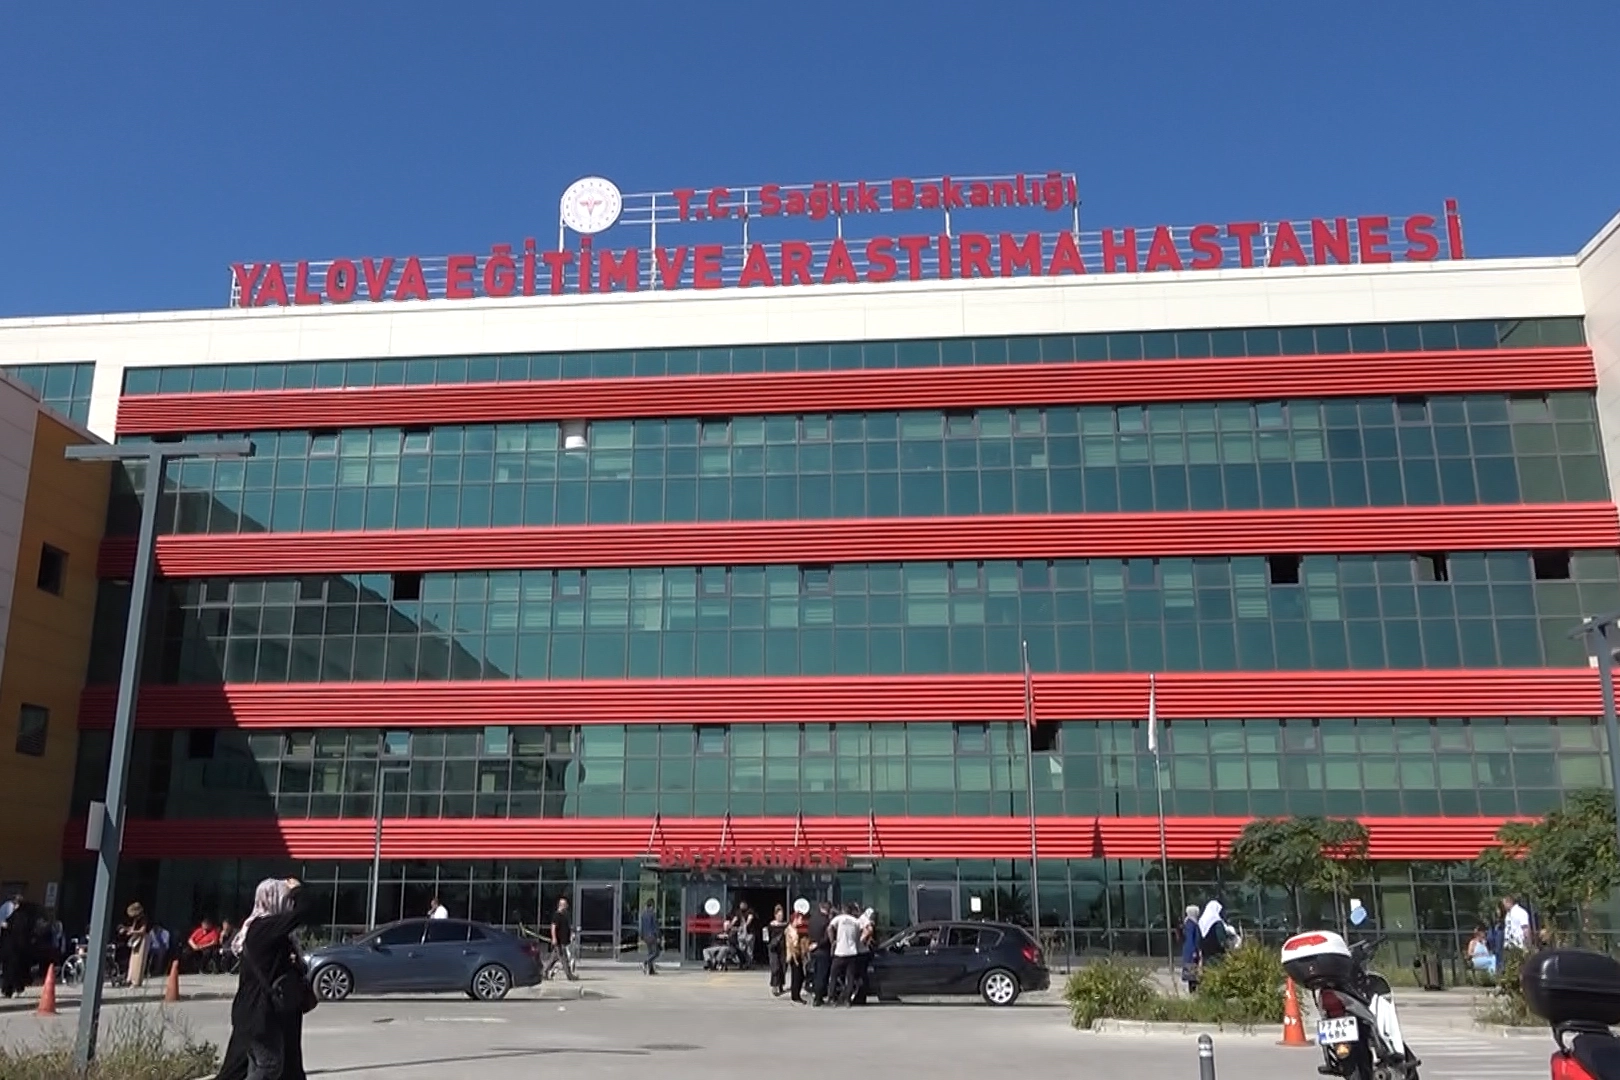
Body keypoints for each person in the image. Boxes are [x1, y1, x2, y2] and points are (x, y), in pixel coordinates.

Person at [216, 877, 316, 1080]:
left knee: (266, 1066)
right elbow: (304, 912)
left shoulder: (269, 930)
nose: (290, 904)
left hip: (270, 1011)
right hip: (260, 1012)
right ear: (274, 899)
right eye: (287, 899)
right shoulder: (265, 928)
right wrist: (297, 890)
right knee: (268, 1067)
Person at [827, 902, 862, 1006]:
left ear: (843, 910)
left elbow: (829, 928)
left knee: (833, 975)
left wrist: (832, 941)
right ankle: (847, 999)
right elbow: (859, 934)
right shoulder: (855, 921)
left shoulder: (839, 918)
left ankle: (832, 997)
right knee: (850, 977)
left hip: (840, 952)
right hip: (852, 952)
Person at [807, 900, 832, 1006]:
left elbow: (809, 933)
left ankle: (815, 995)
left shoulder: (812, 920)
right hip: (823, 951)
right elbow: (827, 938)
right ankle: (818, 998)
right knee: (822, 975)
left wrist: (812, 944)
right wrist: (818, 944)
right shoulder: (826, 921)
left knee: (816, 973)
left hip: (813, 951)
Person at [545, 898, 577, 981]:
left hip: (563, 941)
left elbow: (567, 927)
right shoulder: (557, 915)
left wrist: (571, 934)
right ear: (561, 905)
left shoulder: (565, 915)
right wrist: (554, 938)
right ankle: (569, 976)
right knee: (564, 959)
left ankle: (544, 972)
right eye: (565, 904)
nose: (567, 906)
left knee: (553, 959)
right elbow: (553, 927)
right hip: (559, 942)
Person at [121, 903, 151, 988]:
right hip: (136, 938)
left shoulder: (143, 919)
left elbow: (142, 930)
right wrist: (126, 929)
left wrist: (132, 932)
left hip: (143, 938)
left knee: (139, 960)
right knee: (133, 959)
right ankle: (130, 978)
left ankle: (136, 981)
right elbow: (134, 928)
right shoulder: (136, 920)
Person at [850, 907, 875, 1005]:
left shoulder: (863, 919)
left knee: (860, 975)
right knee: (861, 975)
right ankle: (861, 996)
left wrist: (862, 940)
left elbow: (869, 929)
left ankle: (860, 996)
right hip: (863, 951)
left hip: (861, 952)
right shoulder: (863, 919)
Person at [785, 908, 810, 1003]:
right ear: (795, 919)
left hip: (797, 954)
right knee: (797, 976)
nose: (801, 921)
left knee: (799, 975)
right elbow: (792, 945)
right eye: (799, 919)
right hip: (794, 955)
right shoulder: (791, 930)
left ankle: (796, 995)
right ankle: (795, 996)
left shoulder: (795, 929)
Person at [1196, 901, 1230, 967]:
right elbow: (1221, 938)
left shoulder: (1201, 921)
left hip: (1205, 953)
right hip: (1217, 953)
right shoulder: (1217, 922)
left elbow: (1198, 938)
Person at [766, 904, 788, 996]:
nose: (780, 917)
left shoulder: (786, 925)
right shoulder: (771, 925)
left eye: (781, 915)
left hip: (783, 948)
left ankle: (780, 985)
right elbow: (766, 937)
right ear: (775, 915)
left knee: (783, 967)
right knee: (775, 967)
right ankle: (774, 986)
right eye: (779, 915)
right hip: (773, 948)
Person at [1179, 905, 1202, 992]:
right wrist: (1194, 951)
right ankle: (1192, 989)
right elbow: (1191, 938)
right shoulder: (1191, 924)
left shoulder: (1189, 922)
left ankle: (1193, 988)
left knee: (1192, 969)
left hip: (1189, 949)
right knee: (1192, 969)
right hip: (1191, 950)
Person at [638, 899, 660, 975]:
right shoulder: (652, 914)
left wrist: (641, 936)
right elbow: (655, 926)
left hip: (645, 936)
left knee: (650, 952)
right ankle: (645, 962)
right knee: (656, 953)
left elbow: (641, 926)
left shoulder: (643, 914)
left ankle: (651, 970)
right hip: (652, 936)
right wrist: (658, 936)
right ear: (652, 906)